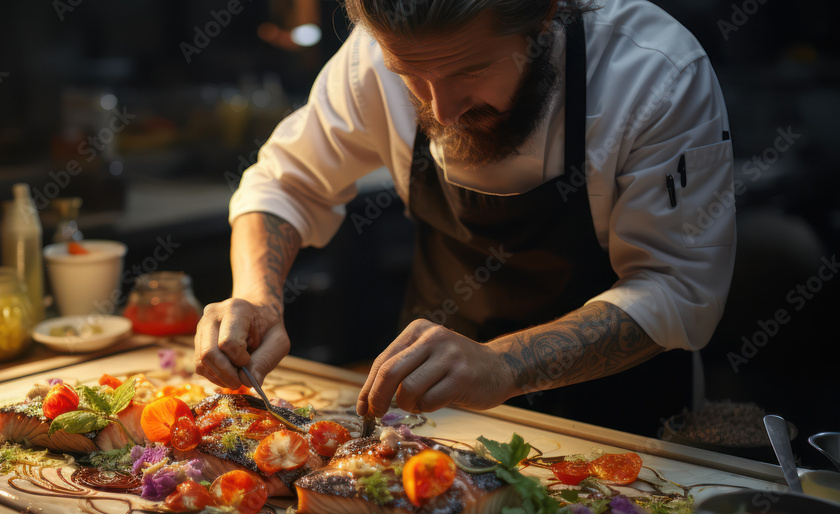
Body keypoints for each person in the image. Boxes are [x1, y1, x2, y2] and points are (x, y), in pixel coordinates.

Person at [194, 0, 736, 435]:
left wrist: (502, 365)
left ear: (543, 17)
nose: (442, 111)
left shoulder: (652, 72)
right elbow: (284, 182)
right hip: (432, 421)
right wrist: (257, 296)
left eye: (471, 70)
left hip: (625, 433)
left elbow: (678, 285)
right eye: (410, 75)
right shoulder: (373, 58)